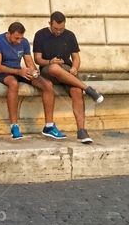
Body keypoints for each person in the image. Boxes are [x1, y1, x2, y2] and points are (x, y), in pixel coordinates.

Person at [32, 12, 105, 144]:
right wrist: (50, 61)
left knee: (77, 91)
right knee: (54, 68)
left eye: (61, 29)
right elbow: (37, 58)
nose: (59, 31)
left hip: (66, 70)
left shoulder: (70, 35)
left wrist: (75, 68)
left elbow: (76, 58)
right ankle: (88, 89)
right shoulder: (40, 35)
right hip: (48, 69)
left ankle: (82, 131)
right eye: (56, 29)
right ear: (50, 24)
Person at [0, 21, 65, 140]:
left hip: (18, 71)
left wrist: (35, 72)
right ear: (9, 34)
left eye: (21, 38)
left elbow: (29, 62)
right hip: (1, 73)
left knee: (47, 84)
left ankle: (49, 126)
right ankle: (14, 126)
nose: (19, 41)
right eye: (16, 38)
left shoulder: (23, 42)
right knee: (13, 84)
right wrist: (19, 72)